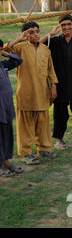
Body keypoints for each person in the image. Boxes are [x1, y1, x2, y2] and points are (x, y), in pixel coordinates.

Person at [4, 21, 59, 165]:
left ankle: (44, 148)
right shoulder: (20, 48)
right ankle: (26, 153)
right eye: (31, 32)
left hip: (42, 92)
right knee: (26, 125)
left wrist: (53, 86)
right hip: (26, 93)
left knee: (43, 122)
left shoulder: (46, 50)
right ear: (26, 35)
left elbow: (50, 70)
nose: (35, 34)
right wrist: (19, 39)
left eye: (36, 31)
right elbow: (4, 49)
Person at [40, 14, 72, 149]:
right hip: (59, 85)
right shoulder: (55, 41)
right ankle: (59, 139)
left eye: (69, 24)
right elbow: (37, 44)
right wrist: (50, 34)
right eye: (63, 25)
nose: (66, 27)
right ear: (59, 26)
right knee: (60, 113)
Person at [0, 40, 24, 177]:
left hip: (6, 108)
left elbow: (18, 61)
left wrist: (6, 54)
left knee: (7, 135)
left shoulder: (2, 65)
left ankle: (6, 162)